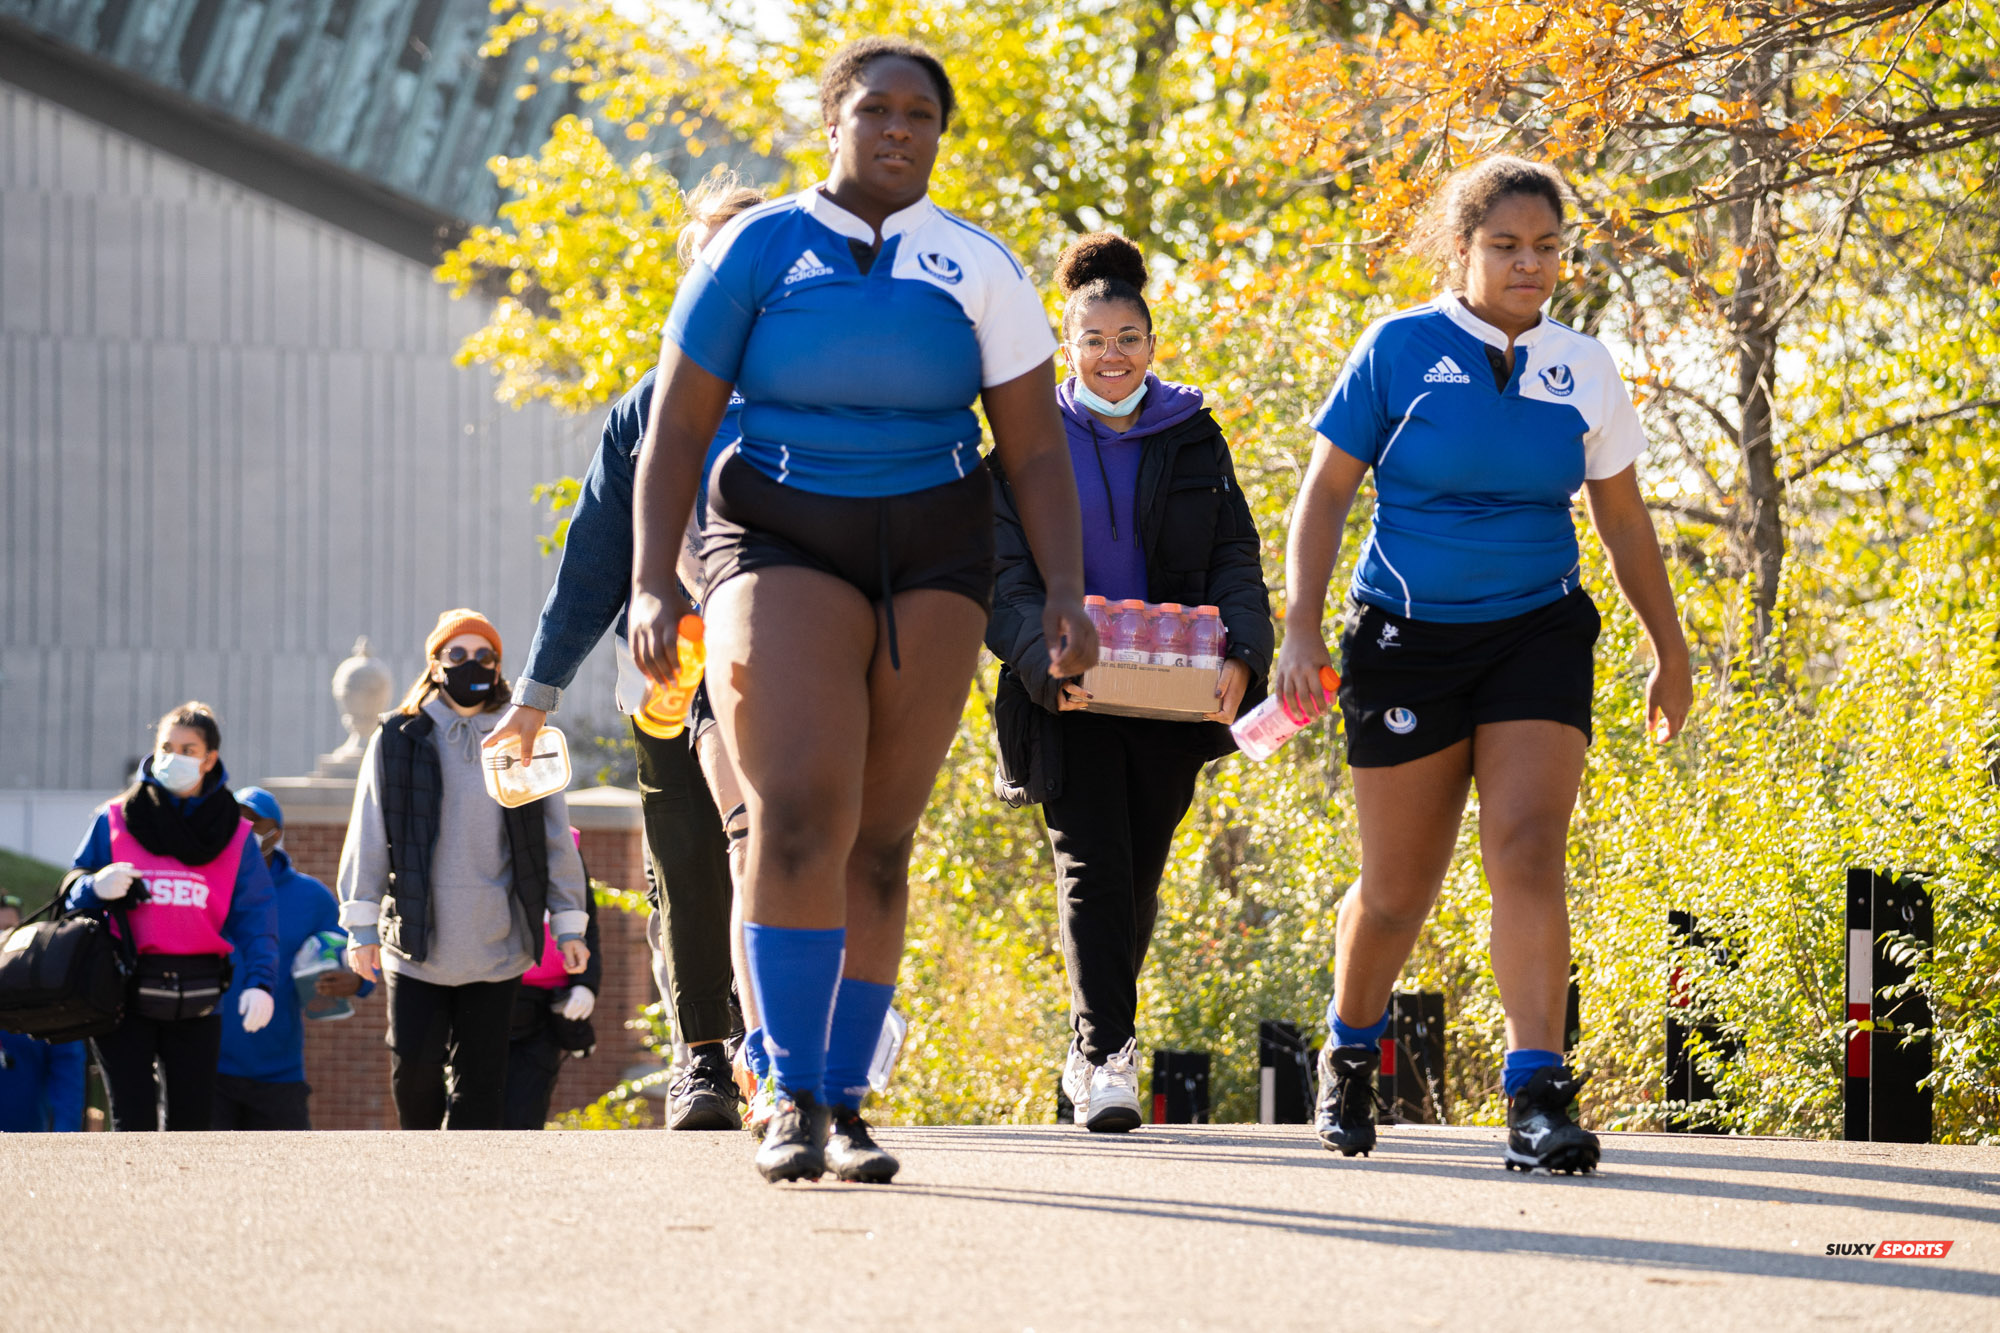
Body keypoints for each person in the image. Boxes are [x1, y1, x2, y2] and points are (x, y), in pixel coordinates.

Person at [629, 36, 1096, 1183]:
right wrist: (650, 577)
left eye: (921, 117)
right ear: (831, 122)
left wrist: (1066, 593)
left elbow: (1033, 450)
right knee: (796, 814)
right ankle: (784, 1088)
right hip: (778, 531)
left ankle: (842, 1102)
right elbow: (675, 428)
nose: (898, 130)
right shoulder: (755, 247)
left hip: (935, 544)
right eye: (876, 110)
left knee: (880, 845)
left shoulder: (976, 265)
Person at [1274, 156, 1693, 1174]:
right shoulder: (1397, 350)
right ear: (1458, 250)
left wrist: (1666, 646)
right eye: (1504, 245)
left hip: (1535, 631)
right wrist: (1297, 625)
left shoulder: (1581, 364)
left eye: (1545, 246)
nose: (1527, 264)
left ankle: (1536, 1093)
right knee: (1395, 888)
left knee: (1525, 846)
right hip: (1405, 641)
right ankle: (1349, 1047)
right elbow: (1324, 493)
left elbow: (1621, 517)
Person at [489, 172, 769, 1132]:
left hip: (786, 659)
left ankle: (784, 1050)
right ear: (690, 275)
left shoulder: (815, 393)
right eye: (711, 253)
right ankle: (703, 1058)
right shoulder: (647, 407)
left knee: (786, 848)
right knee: (689, 860)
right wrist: (535, 693)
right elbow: (593, 561)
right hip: (670, 671)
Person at [986, 233, 1273, 1133]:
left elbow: (1236, 556)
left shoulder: (1193, 432)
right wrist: (1041, 660)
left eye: (1129, 339)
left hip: (1173, 696)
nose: (1113, 357)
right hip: (1066, 693)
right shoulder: (1027, 436)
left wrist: (1245, 655)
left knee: (1136, 878)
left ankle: (1086, 1044)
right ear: (1066, 346)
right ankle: (1109, 1056)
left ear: (1153, 341)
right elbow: (1000, 573)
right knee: (1093, 868)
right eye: (1093, 340)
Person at [340, 609, 592, 1130]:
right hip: (416, 944)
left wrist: (569, 923)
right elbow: (368, 833)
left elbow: (554, 838)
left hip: (498, 943)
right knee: (413, 1073)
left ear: (499, 667)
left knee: (481, 1086)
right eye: (458, 654)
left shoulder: (526, 739)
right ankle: (423, 1176)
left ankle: (462, 1193)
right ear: (435, 665)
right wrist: (360, 928)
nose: (471, 664)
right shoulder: (397, 738)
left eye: (484, 656)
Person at [65, 702, 281, 1131]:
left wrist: (261, 982)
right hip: (122, 990)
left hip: (199, 996)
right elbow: (72, 891)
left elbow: (256, 917)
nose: (173, 757)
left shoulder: (236, 836)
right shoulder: (115, 818)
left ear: (209, 758)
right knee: (133, 1124)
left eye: (188, 748)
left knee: (190, 1127)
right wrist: (94, 886)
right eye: (166, 746)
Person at [210, 787, 369, 1130]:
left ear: (275, 833)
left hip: (279, 1072)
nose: (242, 828)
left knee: (288, 1178)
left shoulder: (310, 896)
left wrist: (357, 980)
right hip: (207, 1067)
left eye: (252, 821)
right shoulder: (209, 885)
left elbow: (357, 950)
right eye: (235, 820)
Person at [504, 830, 604, 1130]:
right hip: (490, 994)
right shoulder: (488, 837)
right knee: (473, 1102)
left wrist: (585, 985)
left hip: (546, 1008)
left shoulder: (564, 846)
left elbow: (588, 924)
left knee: (525, 1112)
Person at [0, 894, 88, 1133]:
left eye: (8, 929)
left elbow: (68, 1081)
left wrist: (64, 1141)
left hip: (25, 1153)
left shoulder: (43, 999)